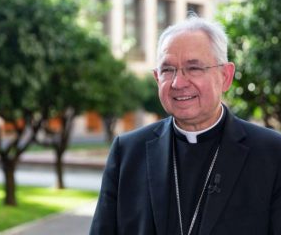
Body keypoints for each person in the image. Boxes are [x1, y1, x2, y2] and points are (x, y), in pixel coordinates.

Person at [90, 15, 281, 235]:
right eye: (167, 70)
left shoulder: (272, 153)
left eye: (194, 68)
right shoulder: (127, 152)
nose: (178, 83)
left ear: (225, 76)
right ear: (156, 78)